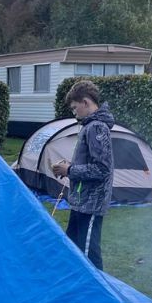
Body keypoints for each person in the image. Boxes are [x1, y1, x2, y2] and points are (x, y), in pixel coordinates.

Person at [50, 80, 115, 270]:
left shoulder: (96, 127)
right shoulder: (89, 126)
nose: (74, 112)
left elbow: (102, 169)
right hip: (80, 201)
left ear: (85, 102)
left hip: (91, 204)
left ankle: (97, 296)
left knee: (89, 256)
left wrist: (69, 171)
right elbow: (90, 164)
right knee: (73, 249)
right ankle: (76, 289)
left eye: (74, 107)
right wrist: (69, 167)